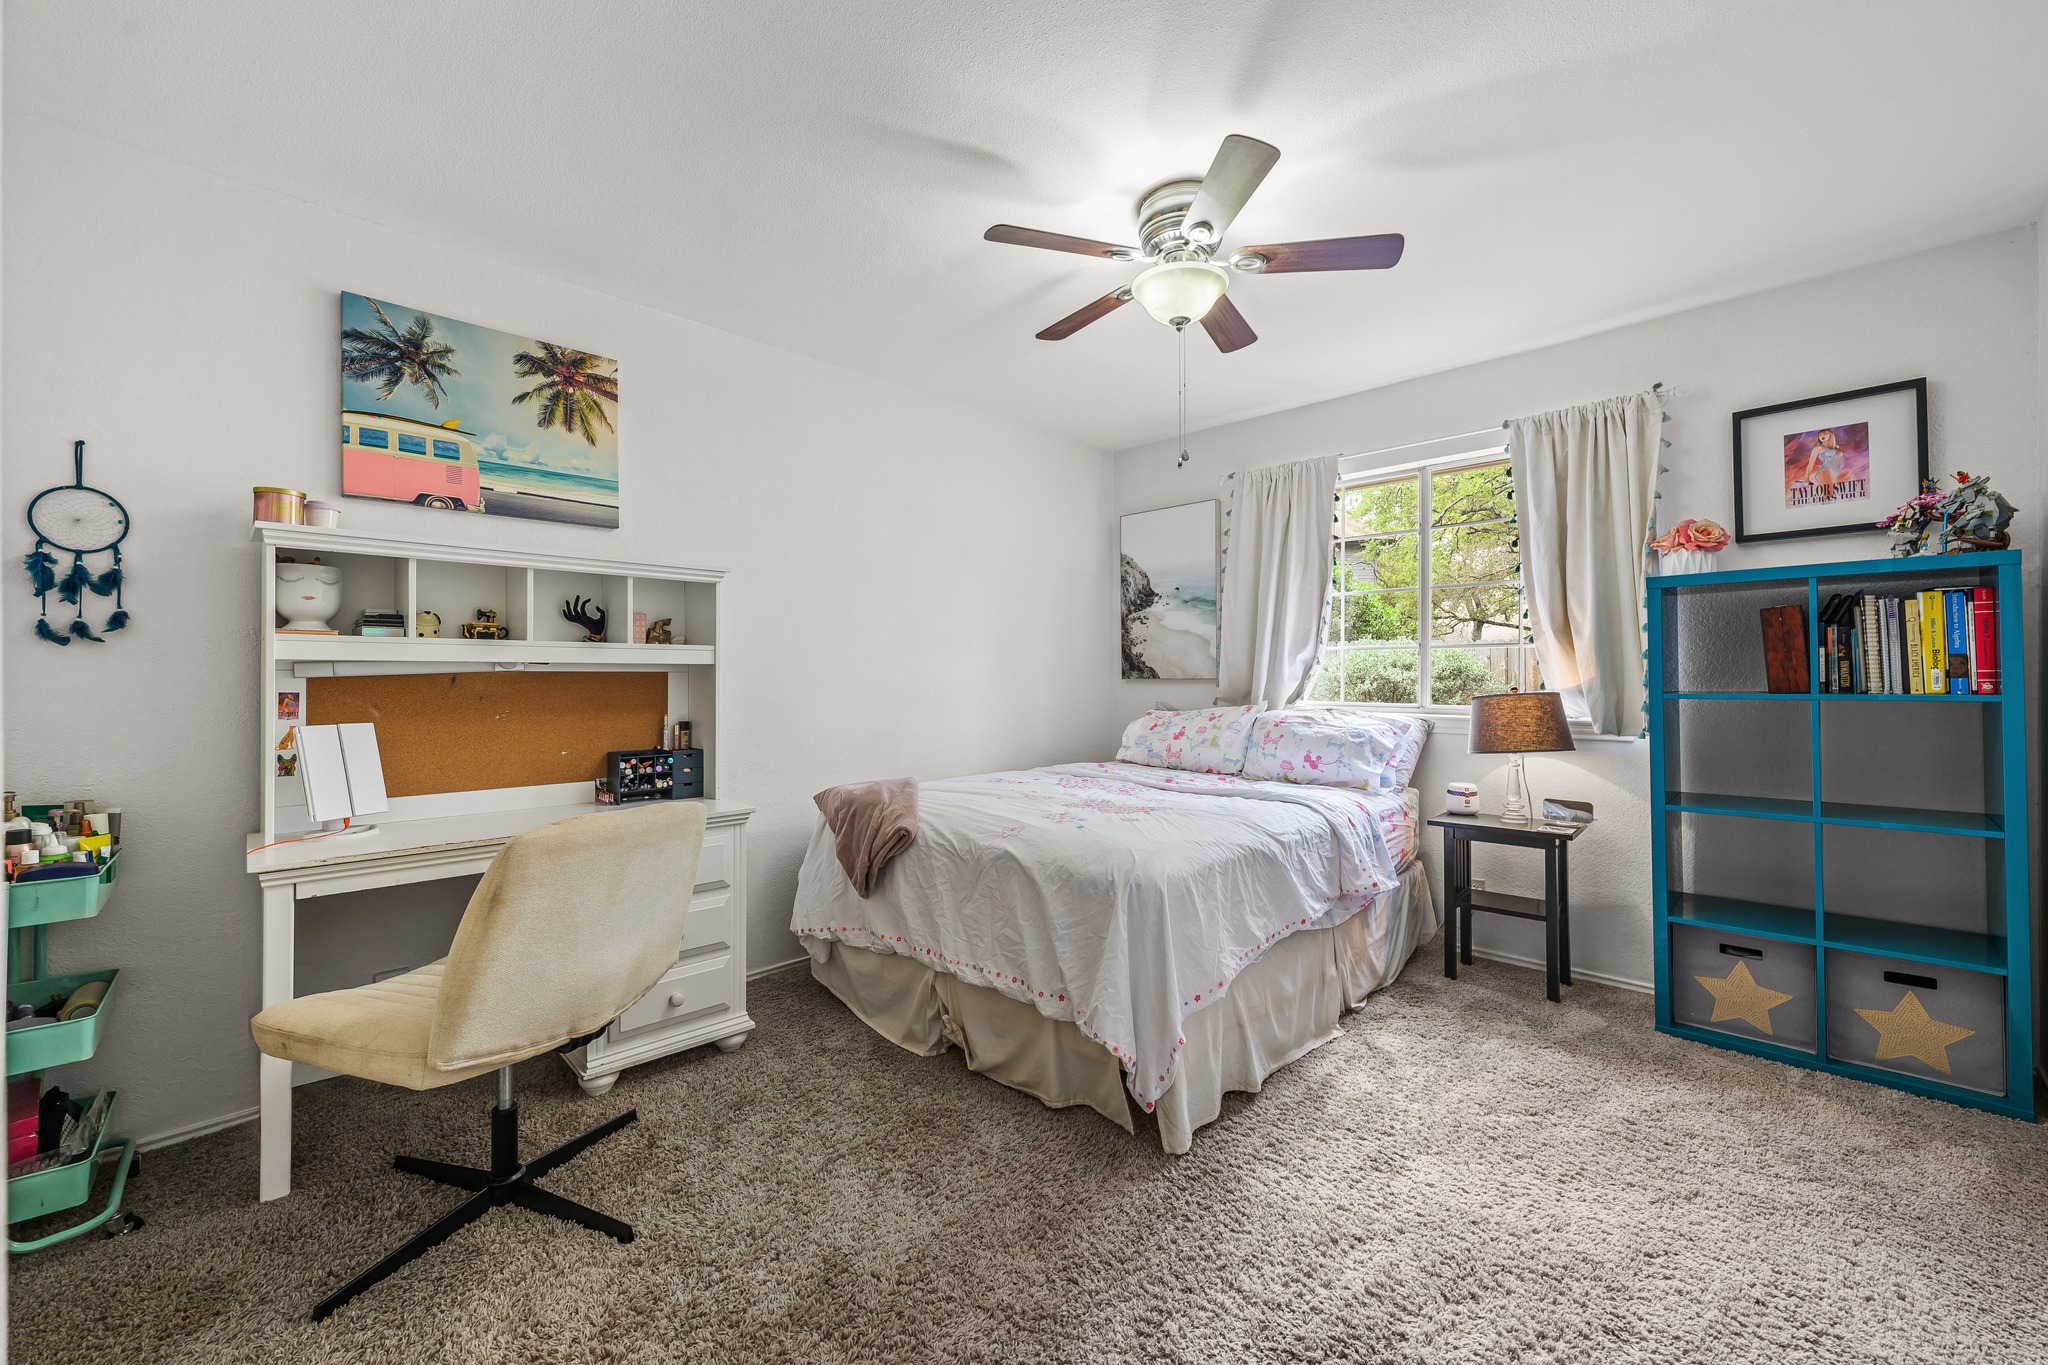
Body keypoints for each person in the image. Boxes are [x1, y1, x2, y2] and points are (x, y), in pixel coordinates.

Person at [1802, 428, 1846, 501]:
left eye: (1825, 433)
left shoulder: (1837, 448)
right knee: (1831, 494)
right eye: (1820, 435)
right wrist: (1806, 478)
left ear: (1831, 435)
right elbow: (1810, 464)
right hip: (1825, 470)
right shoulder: (1818, 448)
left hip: (1835, 473)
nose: (1822, 436)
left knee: (1830, 496)